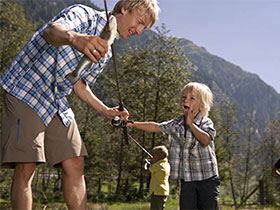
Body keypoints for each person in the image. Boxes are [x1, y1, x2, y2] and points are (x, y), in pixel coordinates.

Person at [0, 0, 160, 209]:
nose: (139, 31)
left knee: (75, 161)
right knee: (27, 165)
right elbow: (51, 31)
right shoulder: (84, 15)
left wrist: (105, 110)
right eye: (140, 22)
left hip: (55, 100)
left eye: (144, 28)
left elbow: (79, 84)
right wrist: (75, 38)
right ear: (124, 9)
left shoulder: (107, 51)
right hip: (26, 88)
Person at [127, 82, 221, 210]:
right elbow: (155, 126)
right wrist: (132, 124)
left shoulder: (205, 122)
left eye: (191, 98)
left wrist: (191, 124)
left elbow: (206, 140)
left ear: (202, 105)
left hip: (207, 180)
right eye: (183, 97)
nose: (185, 100)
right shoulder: (175, 124)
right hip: (187, 181)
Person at [143, 145, 170, 210]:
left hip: (157, 192)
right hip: (164, 191)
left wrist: (145, 164)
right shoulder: (166, 164)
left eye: (154, 155)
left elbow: (146, 171)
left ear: (159, 156)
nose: (152, 157)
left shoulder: (158, 165)